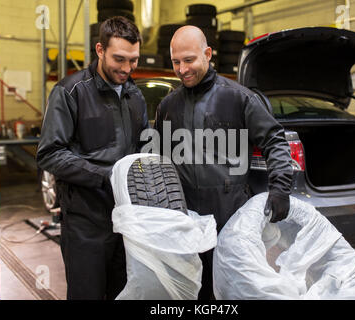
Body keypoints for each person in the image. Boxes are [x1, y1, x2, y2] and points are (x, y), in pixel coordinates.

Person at [154, 26, 293, 300]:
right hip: (186, 224)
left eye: (189, 60)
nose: (182, 69)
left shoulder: (238, 98)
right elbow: (157, 157)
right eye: (176, 62)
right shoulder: (168, 106)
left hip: (229, 221)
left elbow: (274, 140)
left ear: (207, 54)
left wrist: (280, 188)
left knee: (230, 292)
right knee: (192, 291)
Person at [36, 16, 148, 300]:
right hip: (86, 221)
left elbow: (142, 148)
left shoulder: (136, 96)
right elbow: (49, 153)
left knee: (123, 292)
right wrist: (106, 177)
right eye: (119, 59)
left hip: (126, 220)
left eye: (133, 60)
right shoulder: (70, 91)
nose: (126, 68)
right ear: (100, 50)